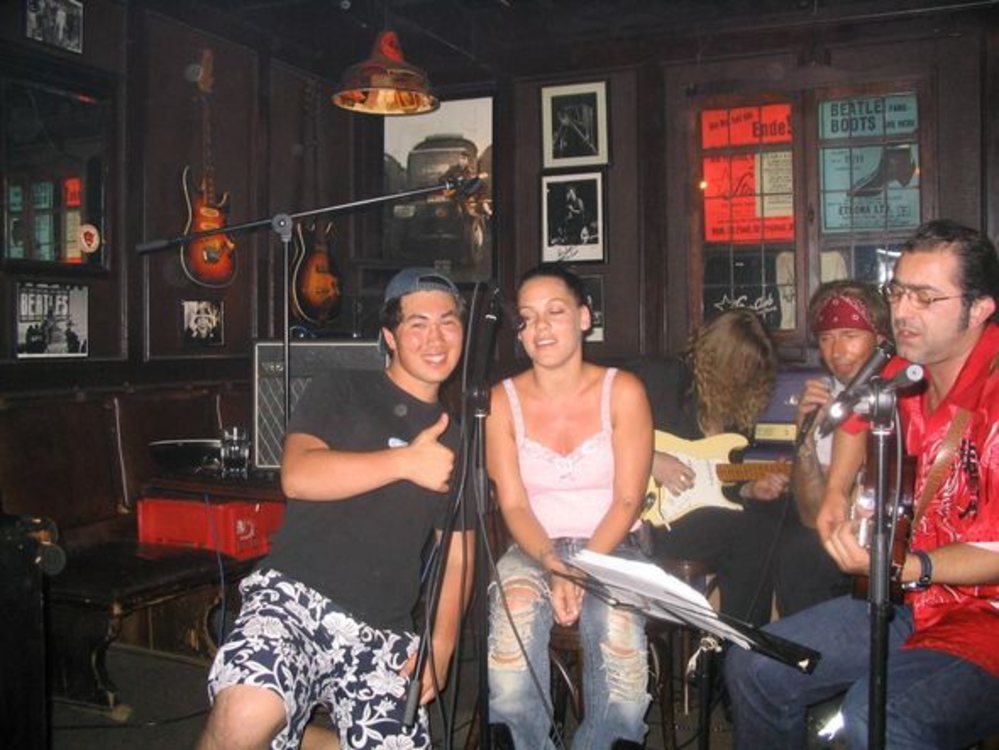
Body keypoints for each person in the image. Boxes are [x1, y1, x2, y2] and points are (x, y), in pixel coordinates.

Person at [725, 219, 999, 749]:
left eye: (926, 297)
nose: (903, 311)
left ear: (979, 309)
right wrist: (834, 495)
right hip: (910, 602)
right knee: (757, 664)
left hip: (984, 620)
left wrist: (907, 566)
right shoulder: (903, 368)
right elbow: (855, 416)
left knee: (875, 717)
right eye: (898, 292)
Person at [198, 267, 475, 749]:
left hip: (383, 627)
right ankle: (279, 723)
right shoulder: (341, 389)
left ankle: (296, 735)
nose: (435, 338)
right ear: (390, 337)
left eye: (447, 322)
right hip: (293, 598)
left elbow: (458, 554)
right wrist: (404, 462)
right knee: (245, 713)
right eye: (418, 324)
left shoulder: (461, 437)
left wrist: (442, 644)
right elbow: (298, 476)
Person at [487, 264, 654, 748]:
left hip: (614, 545)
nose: (540, 327)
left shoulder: (624, 391)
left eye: (555, 312)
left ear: (584, 318)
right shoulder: (500, 402)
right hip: (533, 546)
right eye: (527, 317)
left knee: (618, 630)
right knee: (515, 614)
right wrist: (553, 562)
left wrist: (580, 569)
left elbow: (627, 499)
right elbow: (514, 504)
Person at [630, 308, 789, 628]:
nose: (745, 375)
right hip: (645, 522)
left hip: (697, 519)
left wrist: (750, 488)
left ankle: (737, 638)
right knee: (756, 531)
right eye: (740, 365)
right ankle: (743, 642)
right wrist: (651, 459)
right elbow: (595, 424)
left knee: (768, 521)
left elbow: (719, 484)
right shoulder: (661, 377)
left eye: (753, 368)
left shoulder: (736, 417)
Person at [776, 279, 891, 615]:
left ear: (880, 339)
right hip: (842, 542)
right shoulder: (827, 397)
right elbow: (813, 516)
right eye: (826, 338)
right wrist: (805, 439)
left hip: (899, 541)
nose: (836, 351)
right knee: (798, 549)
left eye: (850, 335)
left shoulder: (904, 389)